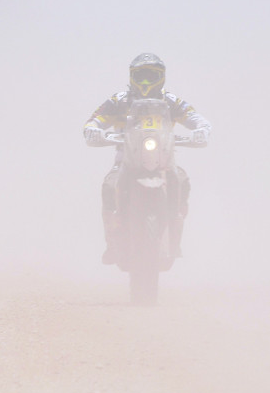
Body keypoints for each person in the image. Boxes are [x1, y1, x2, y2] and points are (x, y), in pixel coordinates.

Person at [83, 53, 212, 264]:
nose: (145, 82)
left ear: (161, 77)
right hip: (125, 161)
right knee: (109, 186)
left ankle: (174, 236)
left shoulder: (171, 101)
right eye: (140, 76)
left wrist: (202, 130)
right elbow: (94, 120)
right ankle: (112, 244)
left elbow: (196, 118)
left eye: (151, 76)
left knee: (182, 180)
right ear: (131, 76)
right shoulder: (119, 100)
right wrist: (92, 130)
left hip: (164, 161)